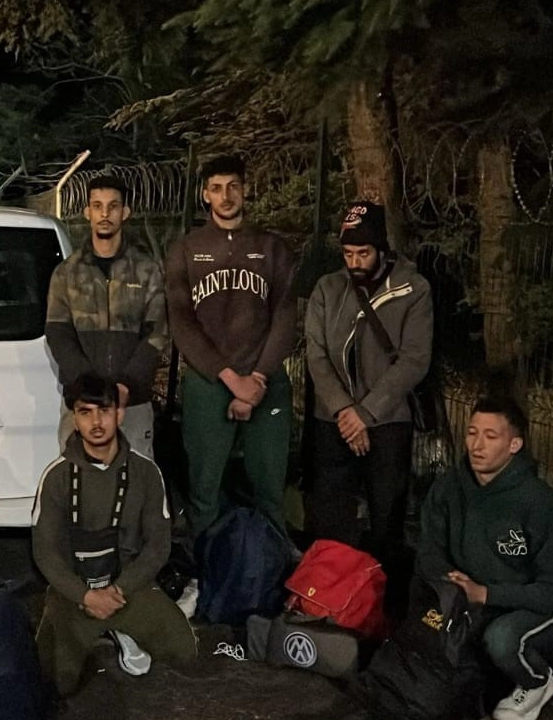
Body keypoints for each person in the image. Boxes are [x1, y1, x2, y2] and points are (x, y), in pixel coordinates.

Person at [32, 373, 196, 698]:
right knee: (54, 682)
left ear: (119, 414)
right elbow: (44, 551)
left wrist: (118, 590)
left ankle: (123, 630)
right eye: (85, 412)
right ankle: (100, 627)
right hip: (76, 594)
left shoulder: (146, 472)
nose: (96, 422)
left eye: (104, 411)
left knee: (185, 652)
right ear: (74, 419)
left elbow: (158, 546)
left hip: (128, 588)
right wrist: (85, 596)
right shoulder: (56, 476)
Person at [164, 155, 297, 541]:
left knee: (270, 490)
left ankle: (272, 564)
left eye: (233, 186)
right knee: (204, 490)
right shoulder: (186, 250)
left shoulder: (272, 248)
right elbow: (181, 323)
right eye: (217, 188)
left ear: (245, 189)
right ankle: (207, 565)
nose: (226, 196)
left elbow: (285, 317)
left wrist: (257, 378)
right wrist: (229, 378)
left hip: (264, 380)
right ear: (205, 194)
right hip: (209, 381)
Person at [305, 201, 432, 572]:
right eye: (348, 254)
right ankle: (329, 591)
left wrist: (366, 412)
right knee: (329, 517)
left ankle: (383, 596)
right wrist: (344, 410)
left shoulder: (413, 290)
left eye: (364, 253)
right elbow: (316, 355)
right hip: (334, 420)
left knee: (386, 520)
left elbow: (414, 359)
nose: (355, 262)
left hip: (388, 420)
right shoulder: (328, 289)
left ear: (381, 249)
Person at [417, 397, 553, 720]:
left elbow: (549, 591)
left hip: (529, 606)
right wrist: (452, 584)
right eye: (472, 433)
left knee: (501, 639)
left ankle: (539, 681)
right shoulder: (448, 488)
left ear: (514, 444)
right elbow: (429, 551)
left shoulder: (539, 501)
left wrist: (487, 594)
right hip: (470, 598)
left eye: (490, 437)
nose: (477, 446)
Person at [45, 175, 168, 458]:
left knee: (136, 479)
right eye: (97, 206)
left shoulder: (147, 270)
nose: (104, 213)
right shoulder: (66, 273)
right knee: (78, 480)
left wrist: (125, 387)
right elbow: (58, 333)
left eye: (113, 206)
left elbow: (157, 333)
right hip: (82, 405)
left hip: (133, 405)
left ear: (125, 212)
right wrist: (89, 388)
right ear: (87, 212)